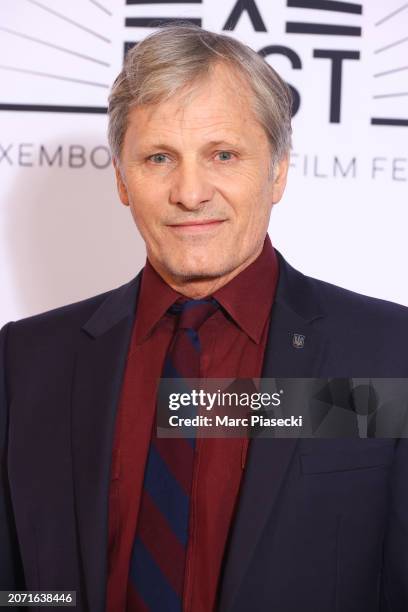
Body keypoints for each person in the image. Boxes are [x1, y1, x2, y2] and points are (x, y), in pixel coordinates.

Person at [1, 24, 408, 612]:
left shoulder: (386, 354)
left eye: (223, 154)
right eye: (159, 157)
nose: (190, 192)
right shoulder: (30, 360)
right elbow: (24, 587)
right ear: (121, 178)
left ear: (277, 172)